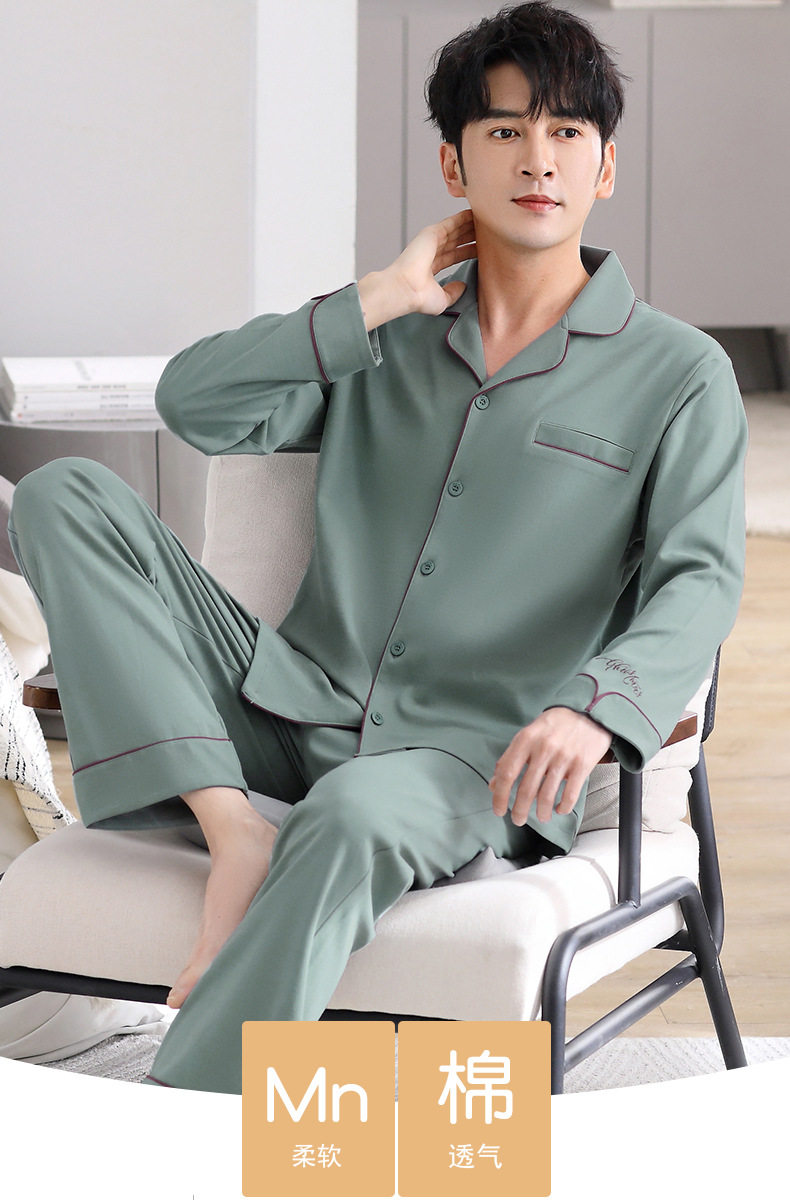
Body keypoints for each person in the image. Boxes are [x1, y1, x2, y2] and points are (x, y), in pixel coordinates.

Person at [8, 1, 747, 1095]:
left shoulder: (679, 373)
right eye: (503, 130)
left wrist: (595, 707)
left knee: (355, 812)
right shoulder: (383, 333)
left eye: (566, 132)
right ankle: (234, 829)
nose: (537, 158)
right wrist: (382, 297)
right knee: (62, 493)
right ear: (454, 163)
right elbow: (193, 403)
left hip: (475, 761)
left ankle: (186, 1125)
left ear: (603, 167)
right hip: (286, 707)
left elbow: (701, 578)